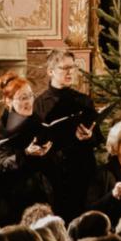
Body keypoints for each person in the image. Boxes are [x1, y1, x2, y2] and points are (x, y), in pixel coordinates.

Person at [35, 48, 99, 216]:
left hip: (81, 170)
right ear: (51, 71)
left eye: (72, 67)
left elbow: (99, 138)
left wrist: (89, 136)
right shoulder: (39, 104)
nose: (70, 72)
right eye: (64, 68)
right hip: (53, 173)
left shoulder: (84, 101)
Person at [0, 72, 56, 222]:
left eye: (31, 96)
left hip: (40, 195)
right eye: (23, 98)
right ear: (8, 101)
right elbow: (2, 162)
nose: (29, 101)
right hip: (11, 196)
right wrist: (25, 153)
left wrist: (47, 152)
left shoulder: (40, 123)